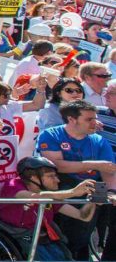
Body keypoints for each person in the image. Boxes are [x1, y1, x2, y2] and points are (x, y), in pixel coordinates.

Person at [37, 100, 116, 259]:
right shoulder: (51, 135)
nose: (95, 123)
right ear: (72, 119)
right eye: (89, 119)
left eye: (94, 118)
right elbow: (58, 166)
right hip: (63, 190)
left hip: (93, 189)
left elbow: (109, 170)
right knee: (67, 238)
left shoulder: (99, 140)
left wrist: (112, 191)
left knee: (85, 236)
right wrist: (92, 164)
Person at [0, 156, 97, 261]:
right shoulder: (13, 185)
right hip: (20, 237)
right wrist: (73, 192)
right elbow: (36, 197)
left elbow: (83, 216)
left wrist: (93, 200)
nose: (57, 180)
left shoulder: (50, 195)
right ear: (33, 177)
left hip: (45, 238)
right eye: (51, 176)